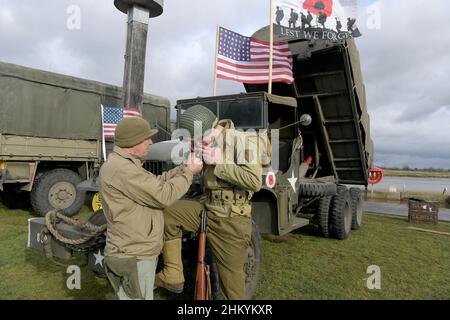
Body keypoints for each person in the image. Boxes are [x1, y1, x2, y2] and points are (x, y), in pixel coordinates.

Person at [154, 105, 263, 300]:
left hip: (231, 220)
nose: (191, 145)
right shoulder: (206, 144)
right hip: (208, 209)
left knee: (231, 287)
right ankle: (173, 274)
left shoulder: (241, 140)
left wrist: (220, 163)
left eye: (193, 140)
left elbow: (255, 182)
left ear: (206, 130)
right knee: (168, 212)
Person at [99, 117, 202, 300]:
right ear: (133, 141)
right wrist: (188, 173)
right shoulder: (123, 170)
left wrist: (184, 168)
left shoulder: (125, 164)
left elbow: (155, 182)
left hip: (133, 251)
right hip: (134, 255)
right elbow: (163, 195)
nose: (151, 142)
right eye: (146, 138)